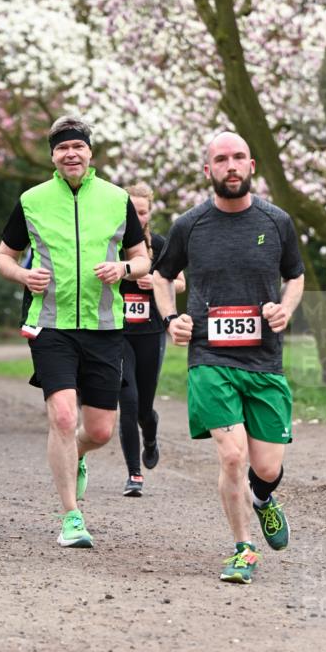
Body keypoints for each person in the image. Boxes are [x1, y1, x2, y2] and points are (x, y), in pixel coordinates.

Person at [153, 131, 305, 583]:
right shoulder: (189, 225)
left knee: (266, 467)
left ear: (252, 165)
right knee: (232, 456)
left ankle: (262, 498)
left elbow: (295, 277)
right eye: (221, 159)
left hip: (264, 361)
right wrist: (170, 319)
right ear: (208, 171)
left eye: (239, 156)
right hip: (209, 358)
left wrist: (285, 308)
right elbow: (163, 277)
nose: (231, 165)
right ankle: (244, 549)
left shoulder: (277, 222)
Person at [0, 115, 149, 548]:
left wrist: (123, 268)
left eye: (77, 146)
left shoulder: (117, 200)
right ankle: (71, 517)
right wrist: (23, 278)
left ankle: (76, 456)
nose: (71, 154)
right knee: (62, 416)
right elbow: (2, 256)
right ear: (53, 156)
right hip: (51, 325)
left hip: (103, 325)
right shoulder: (32, 201)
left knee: (98, 430)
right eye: (62, 148)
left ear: (90, 152)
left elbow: (143, 259)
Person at [119, 182, 185, 496]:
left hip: (151, 333)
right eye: (132, 211)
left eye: (142, 212)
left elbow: (181, 283)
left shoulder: (159, 244)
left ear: (149, 213)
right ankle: (134, 474)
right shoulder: (110, 244)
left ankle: (151, 434)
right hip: (117, 334)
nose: (137, 217)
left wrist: (154, 283)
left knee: (144, 408)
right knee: (127, 404)